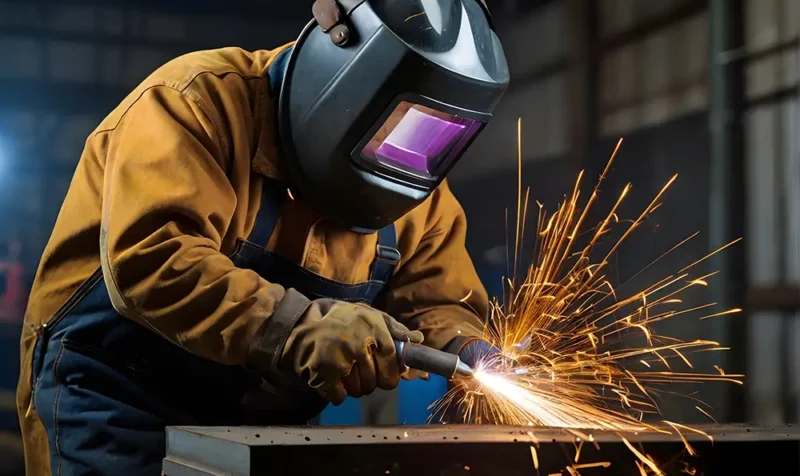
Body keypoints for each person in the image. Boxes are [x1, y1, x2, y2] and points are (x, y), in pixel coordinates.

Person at [16, 0, 509, 474]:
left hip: (257, 426)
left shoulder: (420, 190)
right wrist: (297, 330)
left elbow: (438, 298)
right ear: (346, 76)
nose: (406, 144)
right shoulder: (195, 104)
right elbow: (154, 259)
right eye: (397, 118)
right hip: (118, 399)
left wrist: (464, 345)